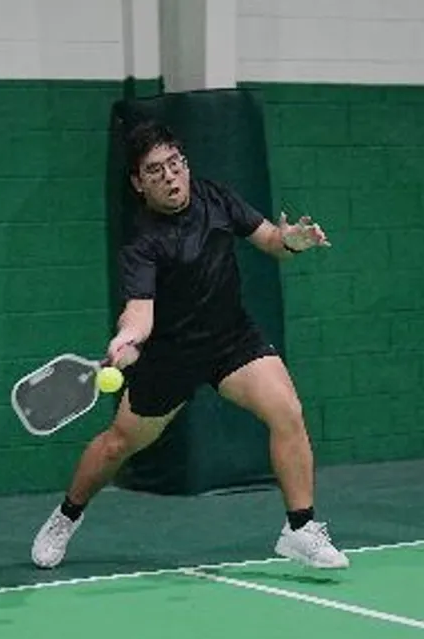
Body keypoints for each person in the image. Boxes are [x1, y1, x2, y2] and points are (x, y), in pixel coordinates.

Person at [31, 119, 349, 570]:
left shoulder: (215, 197)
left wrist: (292, 241)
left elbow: (270, 240)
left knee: (288, 412)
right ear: (138, 183)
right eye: (155, 170)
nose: (171, 176)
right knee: (118, 445)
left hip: (231, 339)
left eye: (175, 163)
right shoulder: (141, 241)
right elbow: (139, 312)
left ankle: (301, 529)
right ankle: (67, 516)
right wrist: (127, 338)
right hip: (170, 356)